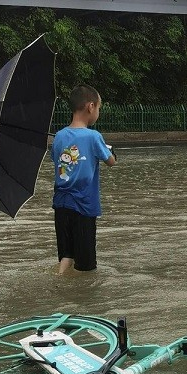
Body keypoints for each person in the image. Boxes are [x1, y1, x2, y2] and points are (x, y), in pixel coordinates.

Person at [51, 85, 117, 275]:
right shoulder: (94, 136)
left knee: (67, 255)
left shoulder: (60, 136)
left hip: (61, 204)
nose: (98, 113)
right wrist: (109, 150)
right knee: (86, 265)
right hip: (84, 206)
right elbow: (110, 162)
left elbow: (56, 159)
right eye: (98, 108)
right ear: (90, 107)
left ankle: (59, 279)